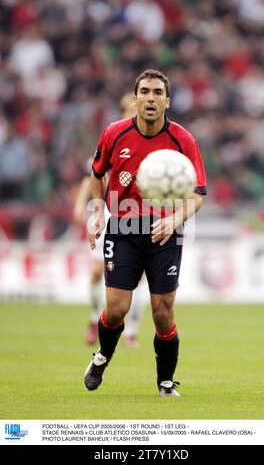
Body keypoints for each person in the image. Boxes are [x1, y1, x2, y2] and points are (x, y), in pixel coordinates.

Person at [84, 69, 207, 396]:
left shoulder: (183, 140)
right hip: (123, 229)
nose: (151, 98)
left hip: (165, 233)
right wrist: (97, 209)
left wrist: (173, 219)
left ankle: (165, 382)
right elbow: (97, 174)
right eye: (145, 92)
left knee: (163, 313)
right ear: (135, 98)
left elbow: (197, 194)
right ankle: (102, 356)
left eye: (157, 92)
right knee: (116, 309)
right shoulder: (114, 134)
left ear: (167, 100)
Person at [73, 93, 147, 346]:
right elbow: (92, 175)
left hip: (138, 213)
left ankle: (132, 331)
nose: (132, 112)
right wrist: (81, 203)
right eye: (128, 108)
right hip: (106, 211)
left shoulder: (152, 142)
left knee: (138, 278)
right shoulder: (114, 136)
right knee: (96, 272)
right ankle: (95, 319)